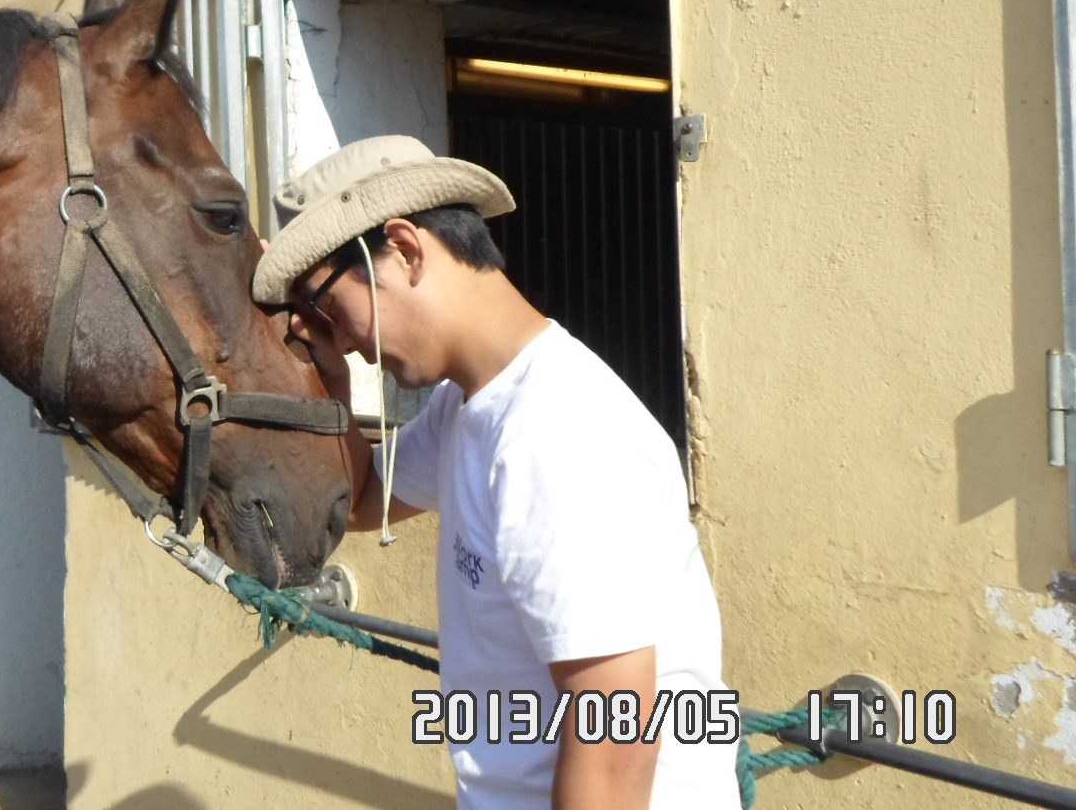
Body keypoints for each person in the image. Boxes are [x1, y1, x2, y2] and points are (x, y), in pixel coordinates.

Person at [252, 135, 738, 810]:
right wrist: (330, 372)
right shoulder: (469, 406)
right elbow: (363, 499)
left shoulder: (552, 430)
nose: (349, 340)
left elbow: (617, 725)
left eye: (328, 308)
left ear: (408, 249)